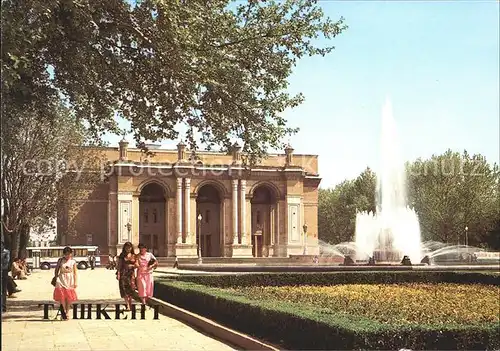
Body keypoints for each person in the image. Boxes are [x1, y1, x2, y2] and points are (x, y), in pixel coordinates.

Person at [53, 246, 78, 320]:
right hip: (61, 279)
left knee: (69, 297)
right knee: (62, 297)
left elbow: (75, 273)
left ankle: (67, 312)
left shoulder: (73, 262)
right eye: (66, 254)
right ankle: (63, 312)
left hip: (69, 279)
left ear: (71, 254)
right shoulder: (60, 260)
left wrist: (75, 282)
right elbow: (56, 269)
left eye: (69, 254)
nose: (67, 256)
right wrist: (56, 277)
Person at [116, 242, 136, 310]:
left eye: (129, 247)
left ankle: (130, 303)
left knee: (131, 289)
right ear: (124, 248)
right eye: (127, 247)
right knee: (124, 290)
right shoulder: (122, 255)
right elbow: (119, 266)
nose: (128, 249)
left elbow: (137, 265)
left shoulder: (134, 255)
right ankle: (127, 304)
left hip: (131, 275)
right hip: (123, 274)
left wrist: (132, 266)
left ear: (131, 248)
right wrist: (118, 274)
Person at [1, 241, 10, 313]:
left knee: (3, 290)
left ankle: (3, 306)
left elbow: (6, 262)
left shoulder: (6, 252)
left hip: (3, 272)